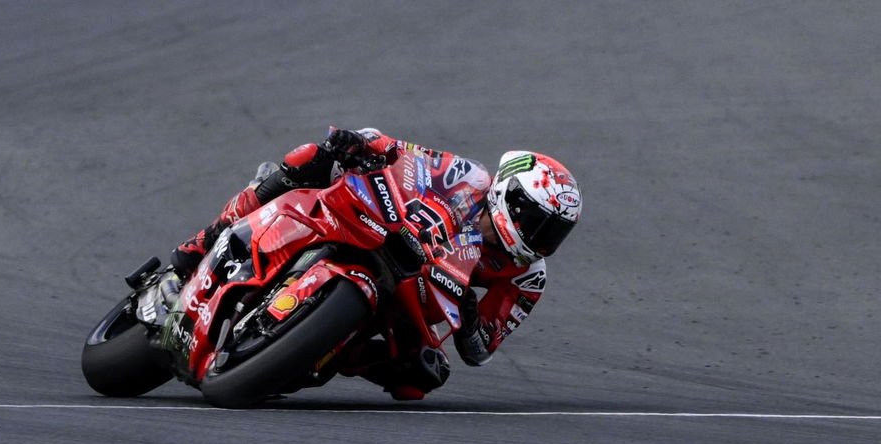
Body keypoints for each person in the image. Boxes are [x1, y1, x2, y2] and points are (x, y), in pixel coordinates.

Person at [145, 126, 582, 401]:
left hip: (418, 294)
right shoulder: (467, 177)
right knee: (308, 160)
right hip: (383, 228)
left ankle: (308, 353)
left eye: (553, 234)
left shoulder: (527, 278)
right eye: (538, 223)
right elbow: (401, 153)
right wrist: (360, 144)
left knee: (422, 376)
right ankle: (199, 246)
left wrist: (469, 318)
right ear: (510, 197)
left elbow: (480, 349)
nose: (542, 240)